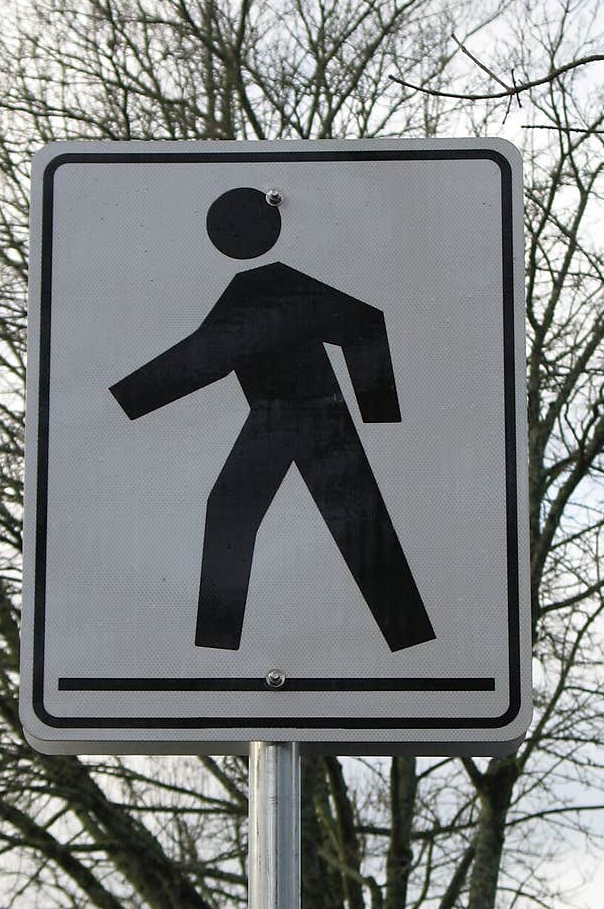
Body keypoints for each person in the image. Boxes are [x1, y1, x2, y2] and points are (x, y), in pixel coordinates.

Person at [110, 186, 435, 652]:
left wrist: (379, 415)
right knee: (235, 513)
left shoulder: (273, 286)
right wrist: (125, 400)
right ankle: (216, 650)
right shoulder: (252, 289)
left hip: (318, 417)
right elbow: (206, 357)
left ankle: (409, 639)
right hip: (275, 419)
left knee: (352, 521)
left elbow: (364, 323)